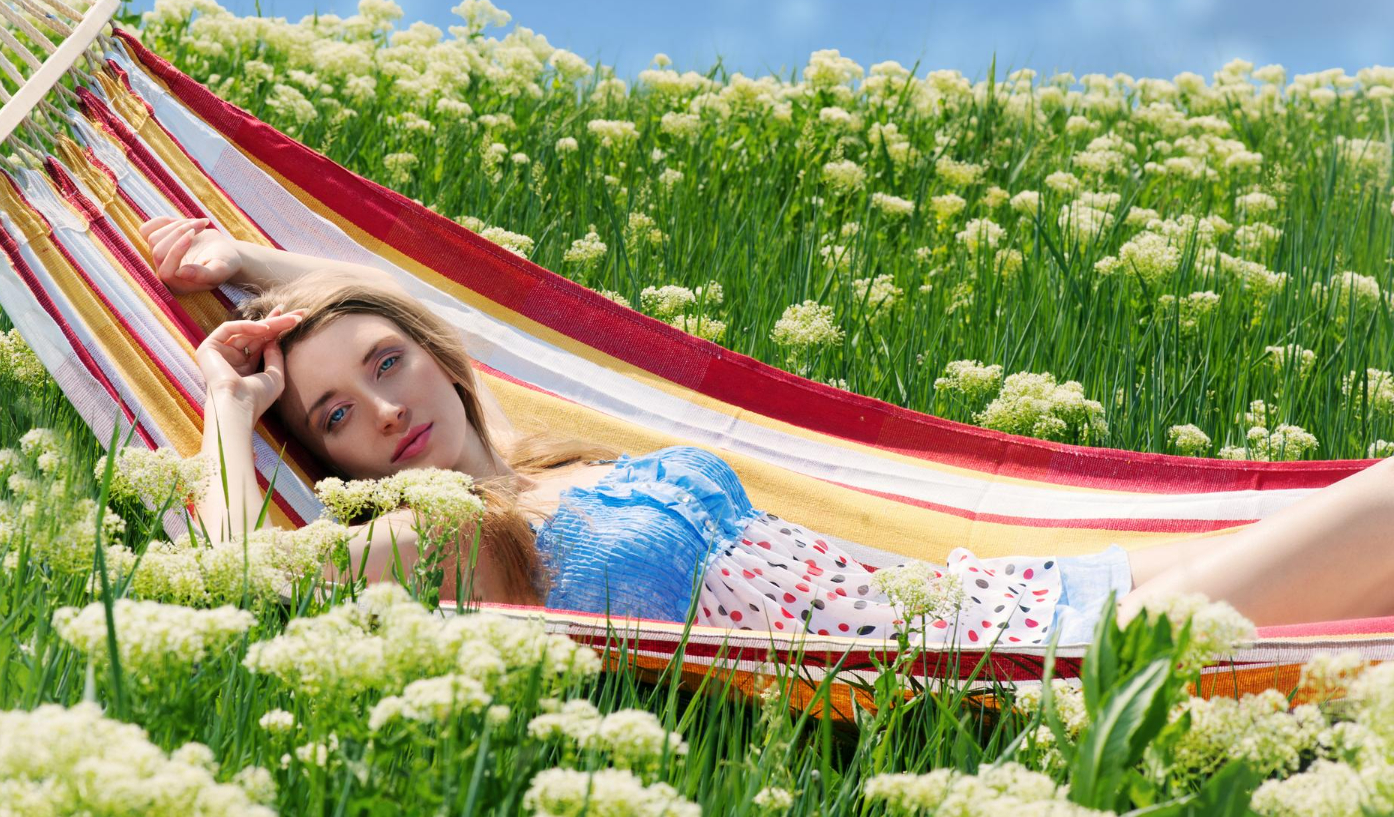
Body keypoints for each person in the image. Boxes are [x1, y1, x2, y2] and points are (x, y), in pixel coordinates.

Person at [141, 214, 1394, 641]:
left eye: (388, 365)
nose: (387, 411)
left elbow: (411, 301)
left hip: (1025, 590)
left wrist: (250, 257)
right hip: (1031, 672)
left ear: (435, 360)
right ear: (333, 463)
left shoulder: (542, 454)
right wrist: (227, 410)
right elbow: (240, 584)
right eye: (338, 419)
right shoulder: (447, 544)